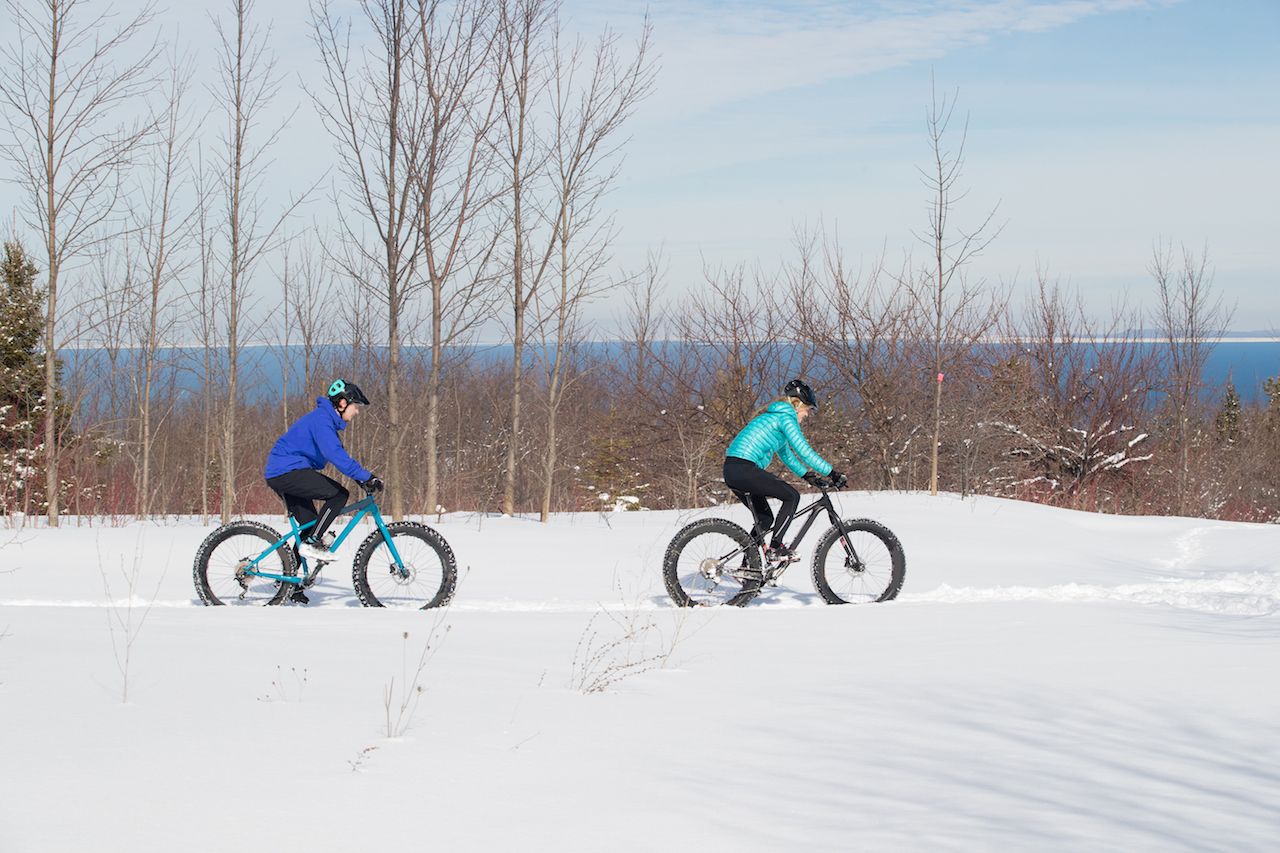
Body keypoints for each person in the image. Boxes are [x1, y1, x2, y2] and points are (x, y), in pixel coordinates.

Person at [264, 379, 383, 599]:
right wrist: (368, 477)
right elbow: (335, 455)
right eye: (355, 406)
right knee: (338, 494)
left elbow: (340, 454)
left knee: (310, 525)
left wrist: (360, 479)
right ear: (342, 403)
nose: (357, 412)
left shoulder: (325, 421)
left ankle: (290, 584)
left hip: (286, 471)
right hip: (286, 471)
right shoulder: (322, 421)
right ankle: (312, 544)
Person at [724, 379, 847, 564]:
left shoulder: (775, 418)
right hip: (743, 468)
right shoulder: (786, 418)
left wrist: (808, 476)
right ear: (797, 405)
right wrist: (833, 473)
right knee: (791, 496)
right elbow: (804, 451)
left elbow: (788, 456)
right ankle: (775, 548)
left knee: (765, 520)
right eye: (807, 409)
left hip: (733, 470)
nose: (807, 415)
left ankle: (748, 570)